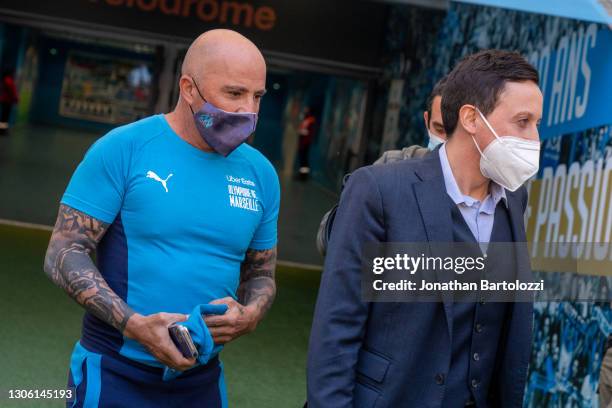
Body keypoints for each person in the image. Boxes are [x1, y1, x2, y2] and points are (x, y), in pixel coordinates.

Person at [43, 29, 280, 407]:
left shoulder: (261, 174)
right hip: (114, 371)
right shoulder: (124, 148)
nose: (248, 110)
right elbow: (63, 252)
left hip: (202, 381)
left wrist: (250, 314)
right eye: (234, 94)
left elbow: (261, 274)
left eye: (257, 97)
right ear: (189, 88)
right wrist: (135, 325)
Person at [307, 49, 542, 407]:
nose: (533, 136)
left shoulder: (514, 199)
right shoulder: (379, 190)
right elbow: (337, 328)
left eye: (536, 123)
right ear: (471, 119)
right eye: (522, 121)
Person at [316, 76, 447, 256]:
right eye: (439, 130)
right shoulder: (394, 164)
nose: (447, 142)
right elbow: (328, 242)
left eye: (455, 132)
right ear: (426, 120)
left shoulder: (489, 187)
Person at [297, 106, 316, 177]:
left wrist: (302, 131)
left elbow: (310, 132)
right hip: (303, 142)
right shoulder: (306, 119)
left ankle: (304, 175)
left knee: (304, 159)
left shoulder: (311, 120)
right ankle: (302, 174)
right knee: (302, 158)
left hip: (306, 143)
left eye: (307, 109)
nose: (305, 110)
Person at [0, 67, 19, 132]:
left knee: (5, 116)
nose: (14, 74)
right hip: (7, 100)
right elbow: (11, 90)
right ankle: (2, 129)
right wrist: (15, 98)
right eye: (13, 72)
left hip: (7, 100)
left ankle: (3, 129)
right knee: (4, 116)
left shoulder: (8, 79)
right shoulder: (8, 80)